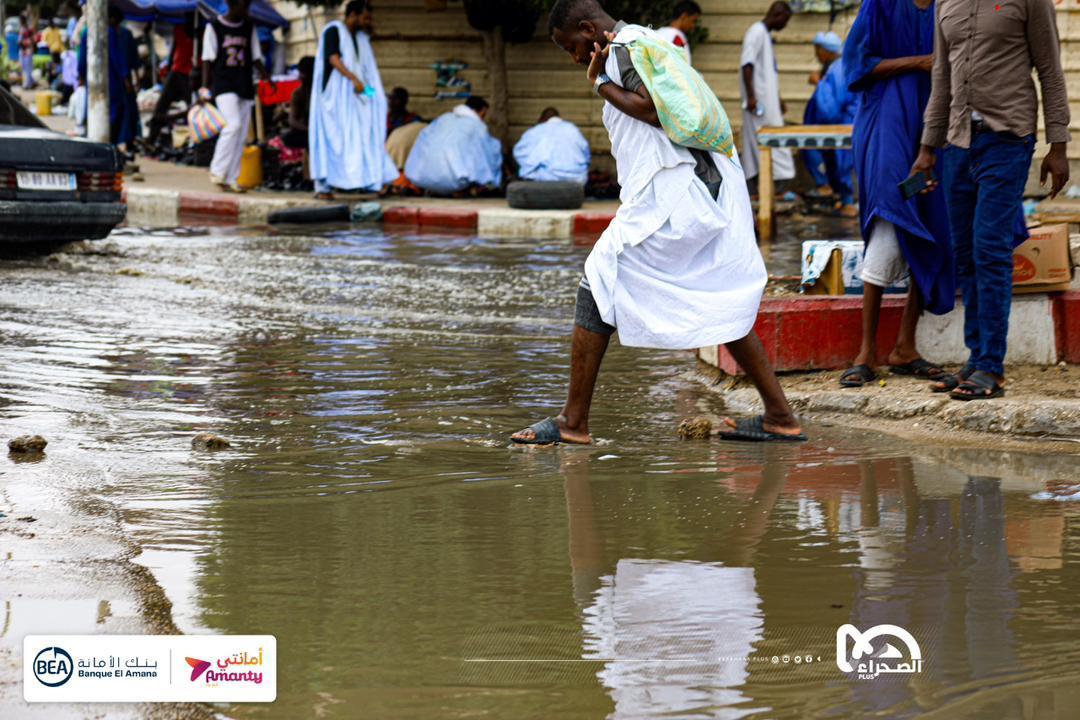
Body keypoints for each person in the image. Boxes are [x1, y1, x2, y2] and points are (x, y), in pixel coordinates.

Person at [511, 0, 804, 445]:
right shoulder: (643, 42)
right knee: (715, 296)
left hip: (680, 190)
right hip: (698, 186)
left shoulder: (623, 50)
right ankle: (780, 417)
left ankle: (574, 423)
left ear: (588, 28)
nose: (575, 59)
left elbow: (653, 111)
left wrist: (599, 84)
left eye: (572, 46)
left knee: (599, 278)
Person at [910, 0, 1070, 400]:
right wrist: (927, 147)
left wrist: (1059, 144)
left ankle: (991, 367)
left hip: (1008, 139)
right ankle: (975, 358)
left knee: (990, 249)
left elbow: (1050, 69)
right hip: (957, 143)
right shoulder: (946, 3)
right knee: (964, 253)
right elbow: (942, 76)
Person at [837, 0, 953, 389]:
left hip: (934, 124)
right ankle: (865, 351)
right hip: (886, 121)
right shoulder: (880, 5)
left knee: (932, 219)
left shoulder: (946, 7)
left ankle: (906, 345)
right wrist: (918, 62)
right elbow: (855, 66)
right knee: (891, 211)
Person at [309, 0, 397, 199]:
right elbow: (333, 59)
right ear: (353, 15)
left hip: (357, 97)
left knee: (366, 135)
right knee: (333, 142)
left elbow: (366, 70)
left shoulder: (361, 38)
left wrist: (374, 94)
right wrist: (353, 79)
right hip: (333, 99)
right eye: (365, 17)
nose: (368, 21)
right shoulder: (333, 30)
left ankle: (372, 180)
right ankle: (324, 186)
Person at [200, 0, 271, 192]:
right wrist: (204, 88)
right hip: (223, 83)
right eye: (242, 6)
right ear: (231, 4)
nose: (246, 10)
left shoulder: (249, 27)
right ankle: (217, 170)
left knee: (241, 135)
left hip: (244, 83)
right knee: (233, 125)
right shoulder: (214, 27)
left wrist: (266, 77)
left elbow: (255, 56)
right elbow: (207, 59)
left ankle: (232, 178)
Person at [739, 2, 794, 186]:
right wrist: (752, 97)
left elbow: (768, 73)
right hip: (759, 101)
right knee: (771, 137)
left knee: (766, 139)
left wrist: (778, 99)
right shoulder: (756, 32)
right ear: (777, 15)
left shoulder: (765, 34)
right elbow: (747, 65)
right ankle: (777, 185)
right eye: (785, 21)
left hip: (767, 99)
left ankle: (767, 184)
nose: (785, 26)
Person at [802, 31, 857, 216]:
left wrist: (819, 84)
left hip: (845, 124)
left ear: (825, 51)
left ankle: (849, 203)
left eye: (817, 50)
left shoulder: (837, 69)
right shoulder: (840, 66)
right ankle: (844, 199)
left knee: (845, 164)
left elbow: (830, 108)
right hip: (845, 123)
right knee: (840, 162)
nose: (816, 55)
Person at [404, 96, 502, 196]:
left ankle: (434, 189)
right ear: (480, 112)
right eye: (483, 115)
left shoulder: (443, 118)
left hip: (422, 178)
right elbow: (491, 153)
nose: (483, 119)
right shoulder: (477, 126)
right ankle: (463, 191)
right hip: (455, 182)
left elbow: (423, 139)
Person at [148, 15, 195, 148]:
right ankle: (151, 139)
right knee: (161, 106)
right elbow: (174, 48)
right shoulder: (179, 28)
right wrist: (168, 68)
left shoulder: (200, 32)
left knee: (193, 108)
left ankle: (192, 140)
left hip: (189, 73)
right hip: (176, 71)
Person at [512, 107, 591, 184]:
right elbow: (586, 156)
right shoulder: (573, 129)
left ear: (542, 120)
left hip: (548, 177)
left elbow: (518, 152)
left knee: (529, 172)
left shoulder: (537, 130)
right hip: (577, 178)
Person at [283, 56, 314, 151]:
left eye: (303, 73)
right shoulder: (298, 94)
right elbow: (293, 121)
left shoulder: (325, 92)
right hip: (309, 130)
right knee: (288, 138)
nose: (300, 76)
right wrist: (311, 130)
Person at [19, 15, 35, 89]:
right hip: (23, 51)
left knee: (28, 68)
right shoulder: (22, 28)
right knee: (24, 68)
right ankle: (30, 82)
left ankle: (28, 84)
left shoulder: (28, 29)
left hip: (27, 50)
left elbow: (32, 40)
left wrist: (25, 43)